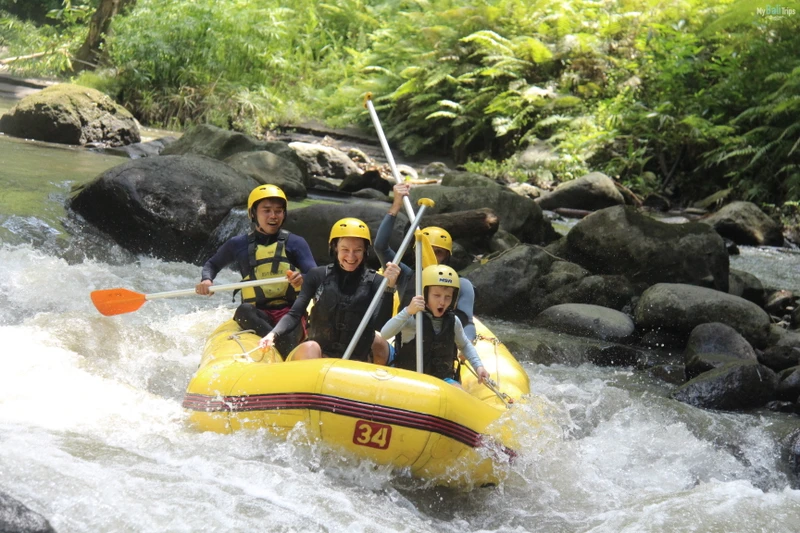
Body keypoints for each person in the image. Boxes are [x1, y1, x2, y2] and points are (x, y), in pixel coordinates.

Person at [259, 217, 400, 364]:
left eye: (357, 250)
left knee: (378, 343)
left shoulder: (376, 281)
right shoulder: (317, 275)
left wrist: (389, 288)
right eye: (345, 249)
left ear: (365, 251)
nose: (351, 256)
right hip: (319, 356)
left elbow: (381, 325)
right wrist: (273, 334)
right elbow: (295, 314)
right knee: (311, 347)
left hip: (355, 362)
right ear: (334, 248)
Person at [195, 184, 316, 355]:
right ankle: (275, 343)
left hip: (290, 312)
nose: (273, 216)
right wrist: (206, 280)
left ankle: (280, 346)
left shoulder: (295, 243)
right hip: (258, 314)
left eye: (278, 211)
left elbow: (314, 275)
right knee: (243, 310)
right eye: (266, 210)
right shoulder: (238, 244)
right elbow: (212, 265)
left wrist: (303, 278)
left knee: (290, 324)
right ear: (253, 213)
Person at [374, 182, 477, 341]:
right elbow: (380, 246)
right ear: (417, 253)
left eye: (439, 253)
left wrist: (468, 344)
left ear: (447, 257)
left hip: (438, 347)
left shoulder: (462, 285)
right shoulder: (405, 275)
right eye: (428, 251)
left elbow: (468, 323)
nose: (433, 256)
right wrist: (396, 205)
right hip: (407, 343)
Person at [380, 264, 489, 386]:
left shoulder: (453, 321)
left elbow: (465, 345)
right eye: (436, 296)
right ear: (425, 294)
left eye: (448, 297)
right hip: (409, 378)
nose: (442, 302)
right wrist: (407, 311)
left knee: (456, 388)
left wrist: (479, 367)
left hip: (441, 381)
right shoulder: (412, 317)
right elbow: (384, 334)